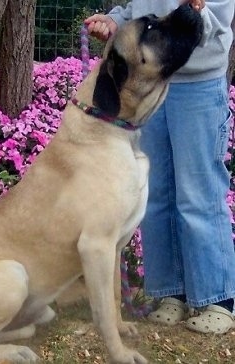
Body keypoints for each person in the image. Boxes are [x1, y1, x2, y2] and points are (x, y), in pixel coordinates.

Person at [85, 0, 235, 334]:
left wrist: (195, 12)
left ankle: (218, 300)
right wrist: (114, 20)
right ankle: (172, 294)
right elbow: (140, 9)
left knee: (199, 194)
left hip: (199, 86)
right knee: (157, 195)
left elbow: (216, 23)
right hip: (149, 84)